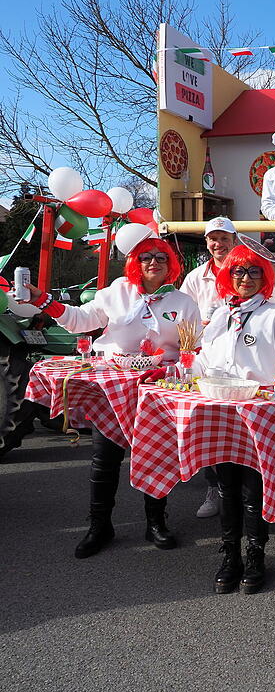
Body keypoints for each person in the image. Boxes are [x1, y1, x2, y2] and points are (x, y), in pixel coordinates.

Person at [25, 224, 201, 558]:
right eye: (146, 257)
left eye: (161, 257)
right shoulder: (117, 291)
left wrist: (176, 369)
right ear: (135, 261)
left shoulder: (183, 302)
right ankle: (99, 526)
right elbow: (80, 320)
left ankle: (156, 523)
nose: (154, 262)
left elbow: (194, 348)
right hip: (114, 386)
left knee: (155, 454)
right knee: (104, 458)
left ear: (171, 263)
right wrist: (44, 301)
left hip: (156, 387)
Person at [197, 244, 275, 594]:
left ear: (264, 278)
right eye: (238, 271)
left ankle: (255, 554)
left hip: (259, 411)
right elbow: (203, 361)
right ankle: (230, 555)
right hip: (221, 410)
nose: (245, 278)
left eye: (253, 272)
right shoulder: (220, 314)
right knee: (226, 486)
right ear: (227, 275)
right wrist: (173, 369)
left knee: (253, 487)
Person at [179, 216, 238, 519]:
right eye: (213, 239)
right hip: (207, 361)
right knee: (210, 427)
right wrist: (201, 327)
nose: (219, 244)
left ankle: (245, 490)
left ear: (234, 241)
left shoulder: (247, 270)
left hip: (242, 359)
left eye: (224, 238)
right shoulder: (195, 278)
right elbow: (182, 317)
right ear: (206, 242)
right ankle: (213, 488)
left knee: (239, 428)